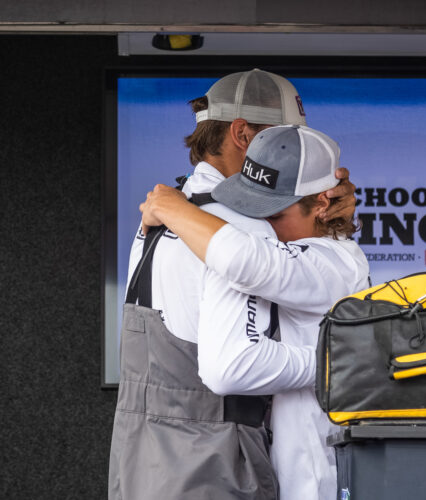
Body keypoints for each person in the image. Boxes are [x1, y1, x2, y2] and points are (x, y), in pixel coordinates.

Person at [108, 69, 357, 500]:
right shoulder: (236, 226)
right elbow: (233, 366)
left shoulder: (164, 214)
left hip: (138, 452)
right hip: (212, 457)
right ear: (242, 133)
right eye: (283, 138)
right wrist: (342, 362)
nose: (290, 152)